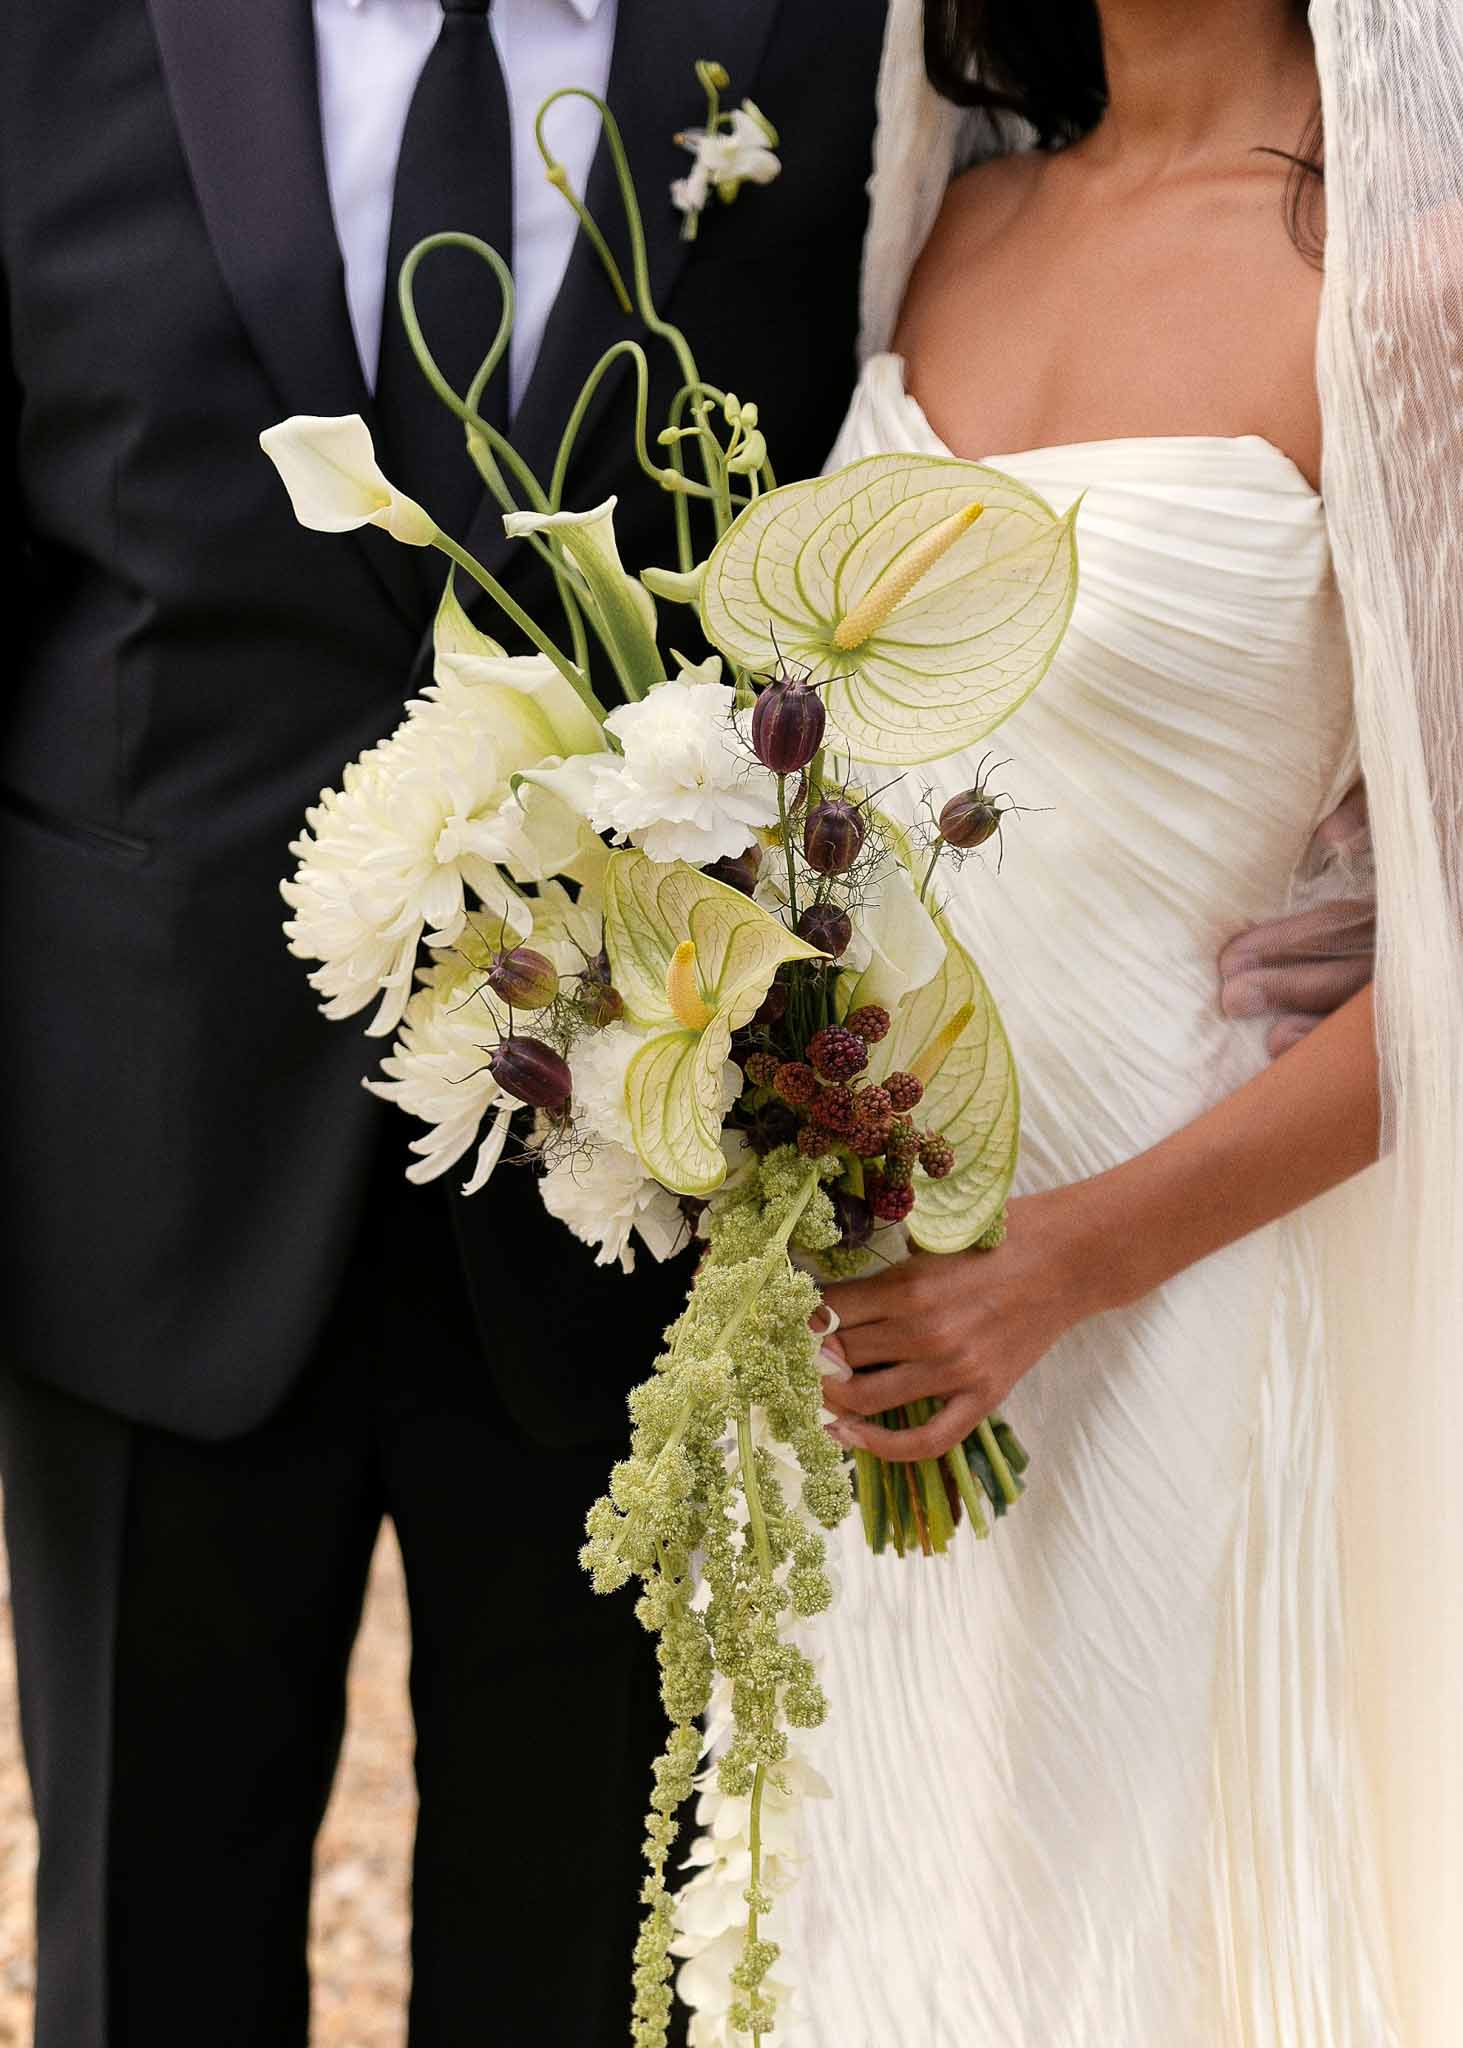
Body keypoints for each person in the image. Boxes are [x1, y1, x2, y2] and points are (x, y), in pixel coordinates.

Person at [0, 3, 891, 2042]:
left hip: (628, 1173)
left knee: (580, 1972)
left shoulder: (824, 38)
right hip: (147, 1151)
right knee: (139, 1951)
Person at [708, 1, 1462, 2043]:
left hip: (1177, 1288)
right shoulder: (956, 217)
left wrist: (1065, 1262)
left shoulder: (1411, 269)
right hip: (874, 1313)